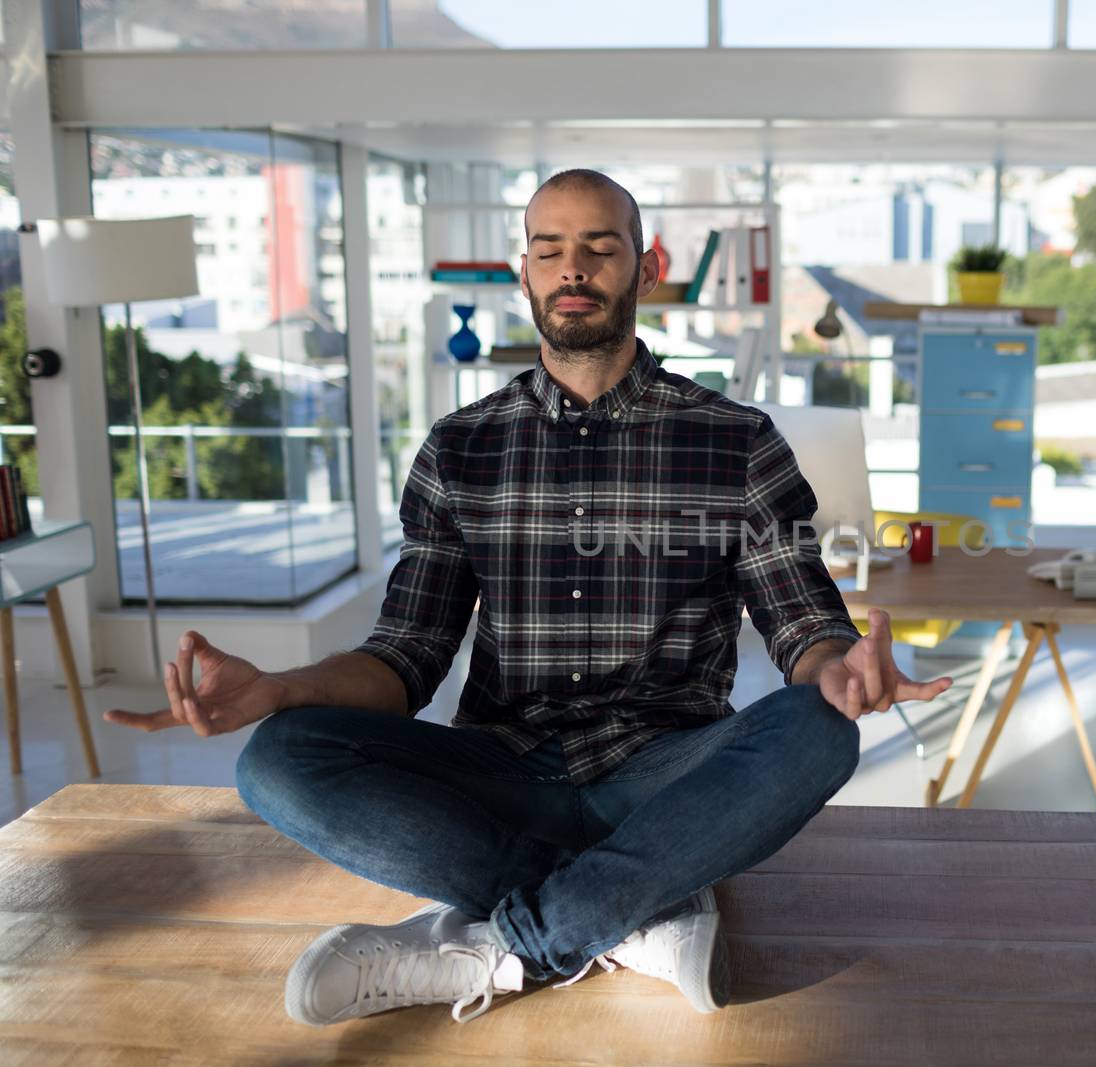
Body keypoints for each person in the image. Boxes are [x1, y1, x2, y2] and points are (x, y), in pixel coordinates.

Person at [105, 168, 952, 1027]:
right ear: (525, 276)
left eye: (598, 247)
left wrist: (837, 668)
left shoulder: (736, 443)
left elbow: (801, 623)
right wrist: (281, 688)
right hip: (499, 773)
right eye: (549, 250)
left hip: (664, 774)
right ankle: (633, 905)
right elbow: (405, 659)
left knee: (816, 728)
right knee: (276, 758)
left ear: (646, 269)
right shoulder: (460, 449)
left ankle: (504, 947)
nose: (572, 268)